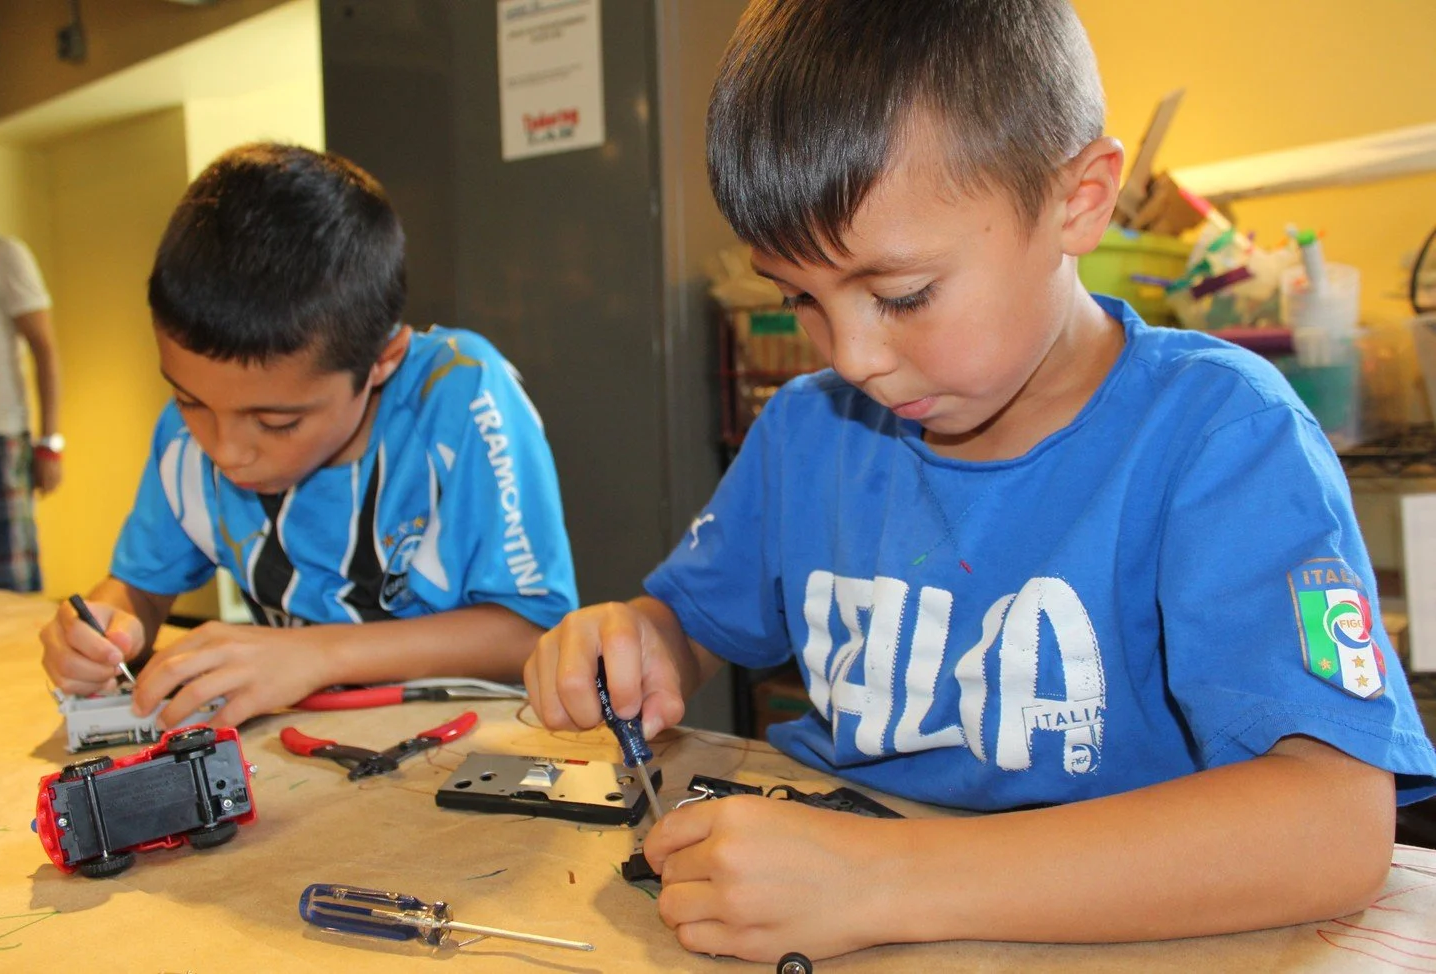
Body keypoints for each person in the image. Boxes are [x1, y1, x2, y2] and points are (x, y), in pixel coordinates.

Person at [524, 0, 1436, 963]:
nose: (853, 356)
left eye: (901, 294)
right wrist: (638, 641)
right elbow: (690, 626)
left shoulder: (1220, 435)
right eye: (799, 298)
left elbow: (1331, 825)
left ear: (1078, 201)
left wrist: (885, 879)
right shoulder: (808, 431)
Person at [40, 143, 577, 728]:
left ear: (381, 362)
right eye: (189, 400)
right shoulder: (189, 436)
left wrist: (317, 653)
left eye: (277, 423)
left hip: (462, 750)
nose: (225, 449)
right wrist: (104, 630)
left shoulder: (458, 392)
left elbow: (533, 631)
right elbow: (139, 590)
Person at [0, 235, 63, 592]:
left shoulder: (6, 255)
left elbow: (45, 350)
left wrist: (50, 444)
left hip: (2, 442)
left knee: (12, 585)